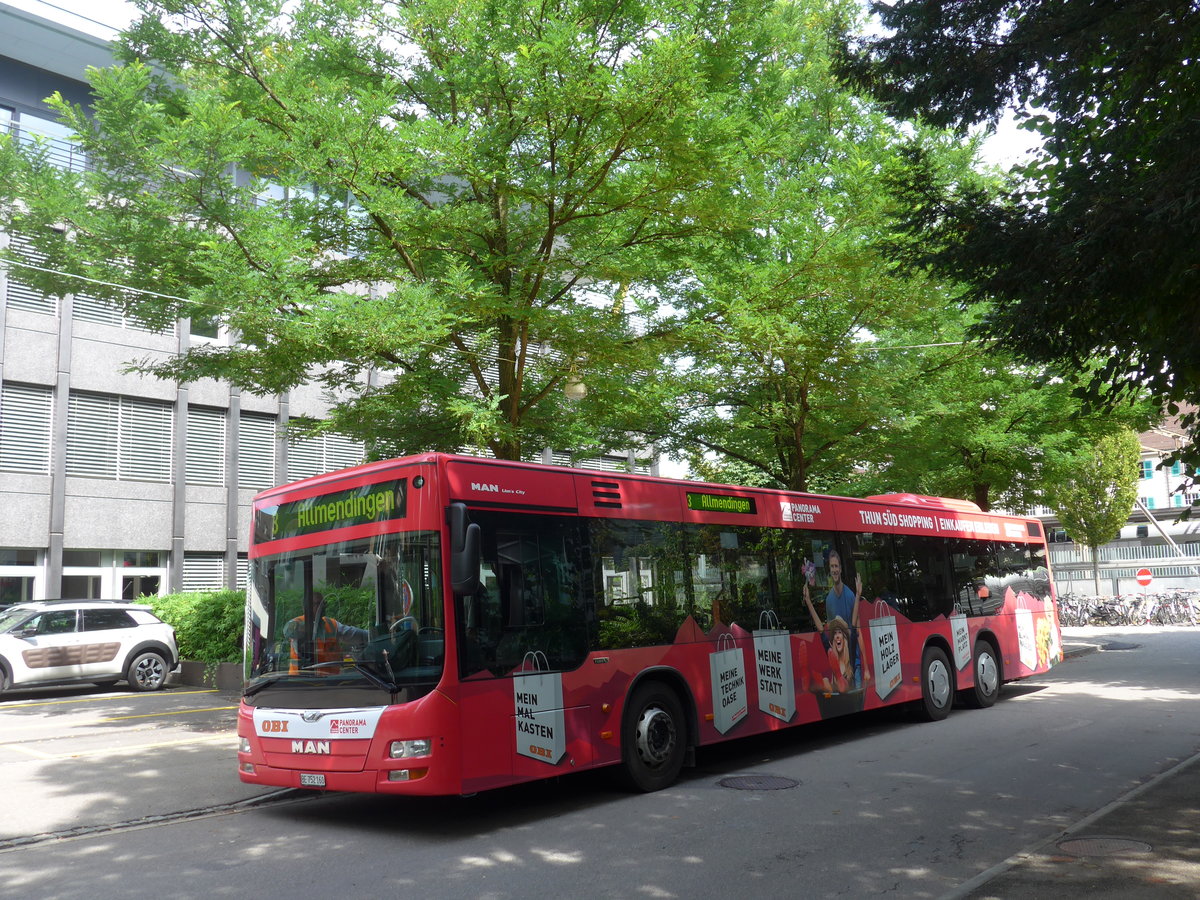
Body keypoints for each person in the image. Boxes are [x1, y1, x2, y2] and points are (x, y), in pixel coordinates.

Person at [802, 550, 863, 690]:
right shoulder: (829, 600)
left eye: (836, 566)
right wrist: (808, 601)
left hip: (854, 670)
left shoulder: (850, 596)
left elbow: (854, 627)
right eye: (832, 567)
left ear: (840, 569)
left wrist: (858, 595)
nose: (834, 570)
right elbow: (823, 631)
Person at [285, 592, 367, 675]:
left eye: (323, 603)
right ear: (305, 607)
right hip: (300, 681)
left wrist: (375, 635)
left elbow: (359, 635)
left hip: (330, 682)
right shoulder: (297, 623)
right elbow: (288, 631)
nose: (321, 607)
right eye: (317, 604)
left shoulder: (332, 624)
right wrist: (306, 626)